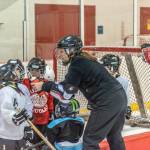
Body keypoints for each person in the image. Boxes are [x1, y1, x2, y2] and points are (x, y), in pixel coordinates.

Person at [31, 35, 127, 150]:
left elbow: (66, 95)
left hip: (106, 103)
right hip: (119, 99)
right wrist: (54, 85)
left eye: (62, 51)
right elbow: (69, 86)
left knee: (90, 140)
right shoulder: (83, 61)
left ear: (71, 50)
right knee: (114, 136)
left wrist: (44, 85)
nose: (59, 55)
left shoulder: (77, 64)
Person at [0, 60, 33, 150]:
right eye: (17, 70)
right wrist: (13, 118)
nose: (20, 73)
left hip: (19, 134)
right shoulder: (5, 90)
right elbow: (6, 110)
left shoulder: (19, 89)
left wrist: (27, 127)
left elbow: (25, 111)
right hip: (6, 136)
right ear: (10, 74)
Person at [23, 57, 54, 149]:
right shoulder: (26, 83)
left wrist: (51, 113)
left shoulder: (47, 84)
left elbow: (50, 100)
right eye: (31, 70)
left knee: (43, 143)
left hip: (44, 120)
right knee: (32, 143)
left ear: (42, 71)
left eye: (36, 70)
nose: (33, 73)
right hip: (31, 120)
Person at [100, 54, 132, 119]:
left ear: (113, 67)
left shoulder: (123, 81)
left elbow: (126, 95)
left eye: (106, 67)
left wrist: (127, 107)